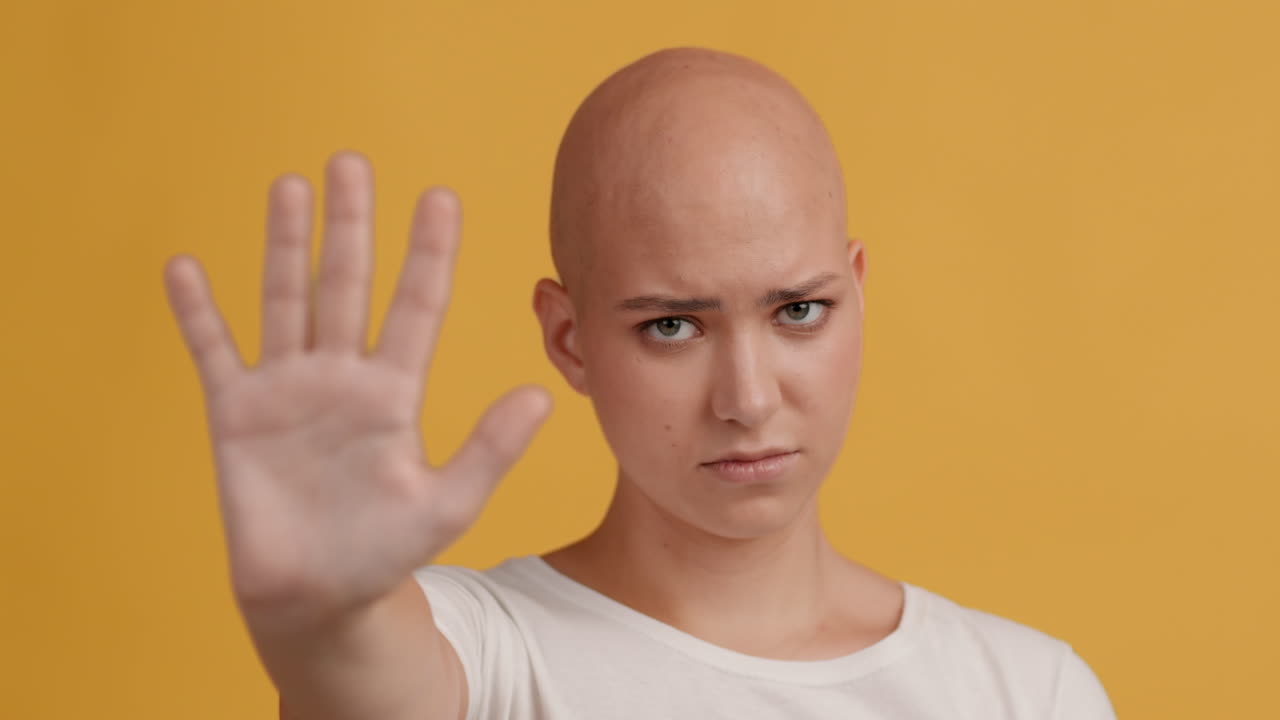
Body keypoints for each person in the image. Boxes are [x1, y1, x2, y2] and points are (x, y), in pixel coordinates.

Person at [163, 46, 1117, 720]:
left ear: (856, 295)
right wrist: (321, 617)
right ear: (570, 339)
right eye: (672, 326)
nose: (746, 398)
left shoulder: (1025, 694)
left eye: (797, 312)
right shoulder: (483, 656)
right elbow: (359, 682)